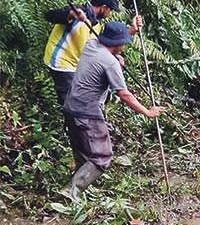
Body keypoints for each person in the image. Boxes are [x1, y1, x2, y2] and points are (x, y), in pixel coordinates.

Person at [61, 21, 165, 201]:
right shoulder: (110, 63)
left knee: (84, 155)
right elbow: (124, 95)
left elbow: (109, 50)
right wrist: (148, 112)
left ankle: (76, 192)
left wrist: (131, 30)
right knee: (102, 156)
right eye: (123, 42)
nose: (124, 45)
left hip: (71, 107)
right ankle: (72, 190)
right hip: (88, 112)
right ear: (117, 44)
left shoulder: (91, 45)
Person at [43, 0, 142, 106]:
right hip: (62, 64)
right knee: (73, 103)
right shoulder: (78, 12)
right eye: (110, 10)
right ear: (104, 8)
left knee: (87, 98)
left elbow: (101, 45)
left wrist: (131, 30)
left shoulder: (96, 24)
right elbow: (50, 15)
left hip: (77, 67)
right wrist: (70, 14)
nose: (109, 13)